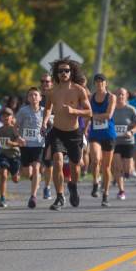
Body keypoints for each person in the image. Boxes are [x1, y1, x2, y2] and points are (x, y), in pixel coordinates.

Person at [42, 58, 92, 211]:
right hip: (57, 132)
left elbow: (89, 112)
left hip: (74, 133)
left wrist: (73, 111)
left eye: (66, 71)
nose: (63, 73)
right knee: (57, 160)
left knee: (75, 167)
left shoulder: (79, 90)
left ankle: (73, 185)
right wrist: (44, 121)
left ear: (71, 72)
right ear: (56, 74)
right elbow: (48, 108)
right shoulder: (52, 91)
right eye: (60, 71)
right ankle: (59, 196)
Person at [88, 73, 117, 207]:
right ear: (94, 84)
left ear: (106, 83)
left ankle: (105, 194)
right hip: (95, 133)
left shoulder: (111, 97)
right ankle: (95, 182)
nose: (99, 84)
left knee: (106, 167)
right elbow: (87, 114)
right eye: (97, 82)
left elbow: (109, 115)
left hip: (108, 134)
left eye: (102, 81)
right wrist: (94, 116)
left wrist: (94, 116)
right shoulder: (91, 97)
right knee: (95, 159)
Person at [16, 87, 45, 208]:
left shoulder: (44, 111)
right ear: (28, 98)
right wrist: (19, 137)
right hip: (25, 144)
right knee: (27, 172)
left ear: (40, 98)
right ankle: (35, 178)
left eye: (35, 95)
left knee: (36, 167)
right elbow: (15, 126)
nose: (33, 97)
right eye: (31, 95)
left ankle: (33, 196)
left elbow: (51, 124)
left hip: (39, 144)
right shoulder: (23, 111)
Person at [112, 88, 136, 202]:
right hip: (115, 142)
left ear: (126, 96)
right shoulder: (111, 109)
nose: (120, 96)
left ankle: (127, 172)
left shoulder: (130, 109)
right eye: (118, 94)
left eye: (122, 94)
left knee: (127, 169)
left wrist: (132, 132)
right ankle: (121, 190)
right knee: (117, 166)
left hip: (128, 142)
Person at [0, 108, 23, 207]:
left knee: (15, 180)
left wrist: (12, 143)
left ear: (12, 118)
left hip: (15, 156)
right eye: (3, 116)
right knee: (3, 174)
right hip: (4, 155)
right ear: (1, 118)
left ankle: (18, 172)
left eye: (8, 115)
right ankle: (2, 198)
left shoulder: (14, 129)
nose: (5, 117)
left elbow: (20, 143)